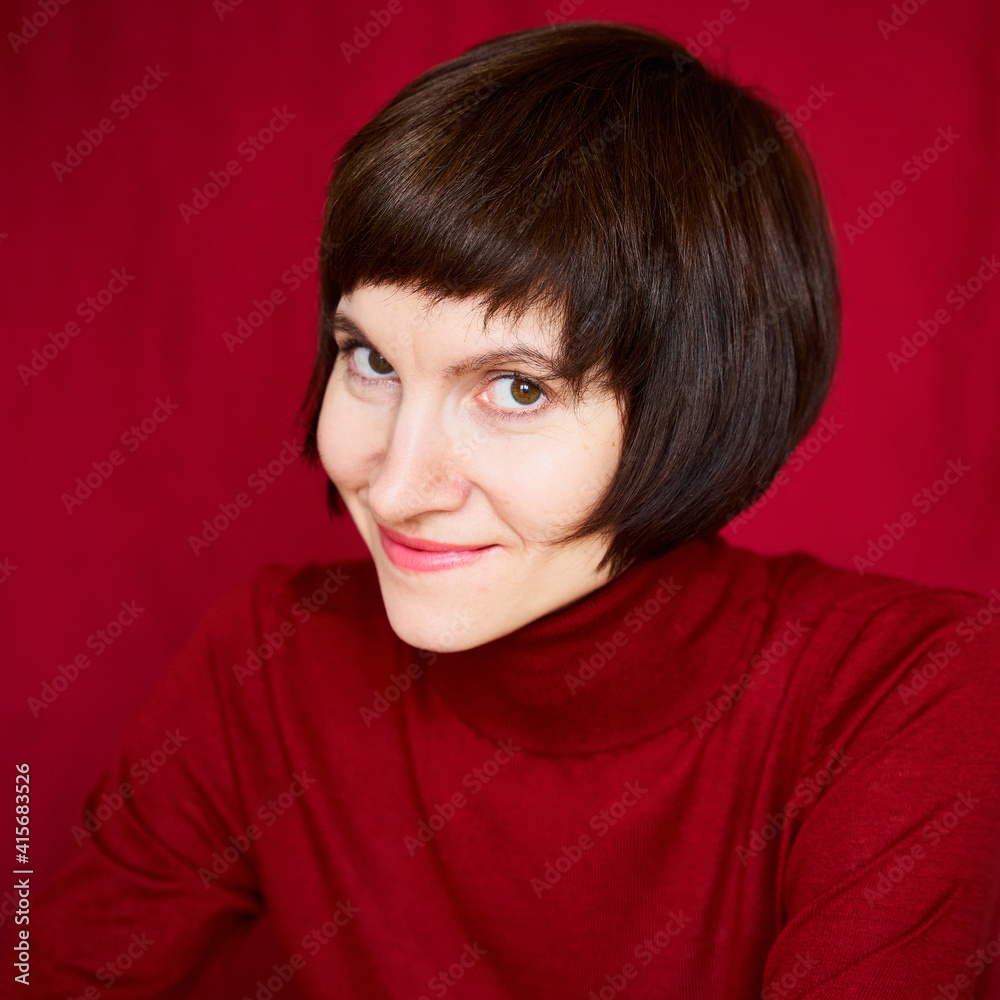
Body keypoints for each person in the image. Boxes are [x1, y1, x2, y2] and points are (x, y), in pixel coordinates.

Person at [24, 20, 1000, 1000]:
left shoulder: (907, 696)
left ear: (703, 402)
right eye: (370, 360)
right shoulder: (269, 669)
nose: (396, 486)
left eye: (517, 388)